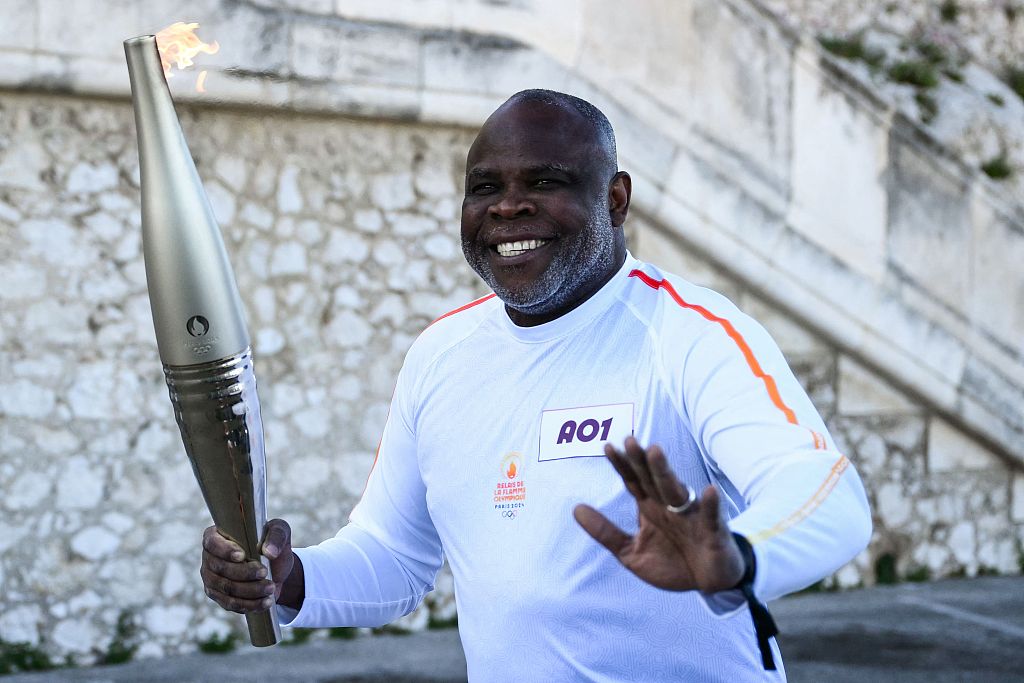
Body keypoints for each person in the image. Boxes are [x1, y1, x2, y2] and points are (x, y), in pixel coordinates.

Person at [200, 89, 872, 681]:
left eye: (545, 181)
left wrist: (739, 558)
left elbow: (826, 491)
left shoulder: (692, 334)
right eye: (485, 187)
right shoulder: (442, 354)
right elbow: (394, 556)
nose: (508, 206)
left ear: (615, 199)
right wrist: (287, 578)